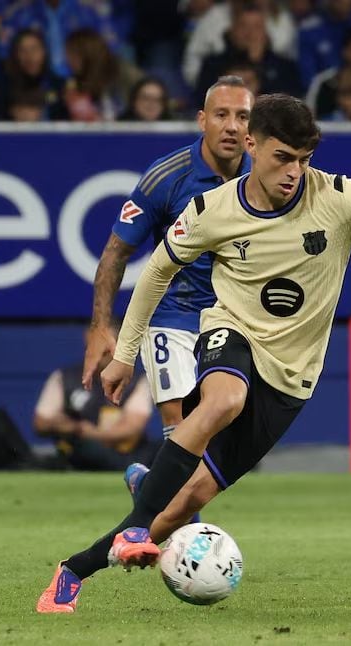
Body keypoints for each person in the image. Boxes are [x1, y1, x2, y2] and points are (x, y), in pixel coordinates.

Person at [37, 92, 351, 613]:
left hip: (292, 376)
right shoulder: (211, 210)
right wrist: (125, 353)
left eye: (303, 159)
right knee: (222, 400)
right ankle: (138, 521)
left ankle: (73, 571)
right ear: (252, 145)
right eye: (282, 157)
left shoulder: (337, 198)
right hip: (232, 331)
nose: (294, 172)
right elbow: (156, 270)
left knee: (187, 503)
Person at [80, 75, 254, 518]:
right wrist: (103, 325)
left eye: (242, 117)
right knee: (181, 427)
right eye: (221, 115)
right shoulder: (168, 176)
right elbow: (116, 252)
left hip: (234, 322)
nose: (232, 126)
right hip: (174, 316)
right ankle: (183, 544)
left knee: (215, 439)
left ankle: (147, 481)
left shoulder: (265, 178)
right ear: (202, 121)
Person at [33, 327, 156, 471]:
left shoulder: (135, 380)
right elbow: (41, 422)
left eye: (103, 352)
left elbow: (132, 427)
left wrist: (93, 433)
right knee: (85, 447)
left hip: (127, 453)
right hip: (79, 449)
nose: (95, 356)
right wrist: (75, 428)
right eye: (90, 350)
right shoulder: (65, 377)